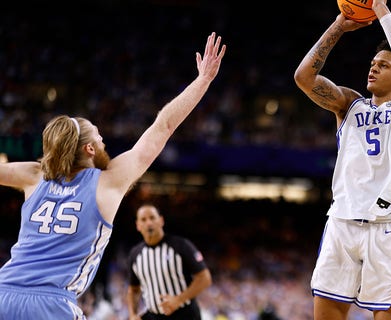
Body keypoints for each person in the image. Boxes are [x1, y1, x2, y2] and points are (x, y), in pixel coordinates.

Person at [0, 32, 226, 319]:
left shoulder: (33, 176)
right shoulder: (107, 182)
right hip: (51, 303)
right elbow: (163, 126)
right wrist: (203, 81)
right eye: (98, 134)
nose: (104, 138)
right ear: (90, 148)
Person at [294, 0, 391, 319]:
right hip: (341, 221)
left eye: (383, 65)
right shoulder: (349, 105)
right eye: (372, 62)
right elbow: (303, 78)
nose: (373, 67)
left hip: (385, 228)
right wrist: (340, 24)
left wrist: (380, 8)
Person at [126, 204, 212, 319]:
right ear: (138, 225)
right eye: (143, 219)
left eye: (152, 218)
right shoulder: (135, 254)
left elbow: (205, 278)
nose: (149, 223)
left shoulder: (181, 245)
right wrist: (132, 314)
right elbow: (133, 290)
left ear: (161, 221)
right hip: (154, 315)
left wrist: (178, 300)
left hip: (185, 315)